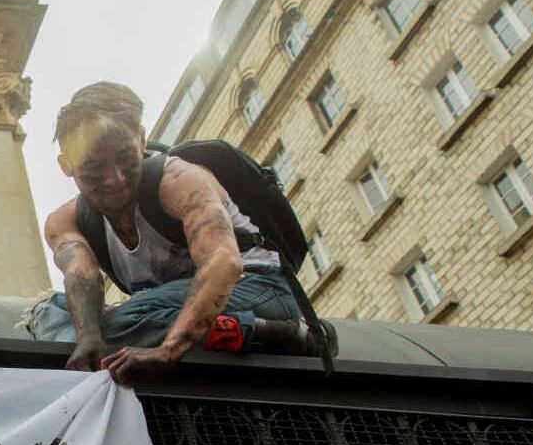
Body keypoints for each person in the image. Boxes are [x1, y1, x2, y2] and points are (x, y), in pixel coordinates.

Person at [22, 81, 330, 386]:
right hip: (166, 307)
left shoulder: (179, 180)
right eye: (93, 168)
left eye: (125, 160)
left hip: (259, 289)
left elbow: (223, 262)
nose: (115, 179)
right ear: (67, 165)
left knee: (118, 324)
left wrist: (168, 350)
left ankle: (274, 332)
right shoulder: (66, 221)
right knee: (50, 312)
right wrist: (87, 337)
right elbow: (81, 276)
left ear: (141, 141)